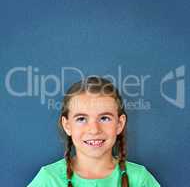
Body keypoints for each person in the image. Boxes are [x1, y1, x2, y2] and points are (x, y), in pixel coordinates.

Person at [27, 76, 160, 187]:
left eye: (104, 118)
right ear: (67, 125)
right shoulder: (49, 179)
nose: (94, 130)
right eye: (81, 119)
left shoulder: (139, 179)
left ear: (119, 124)